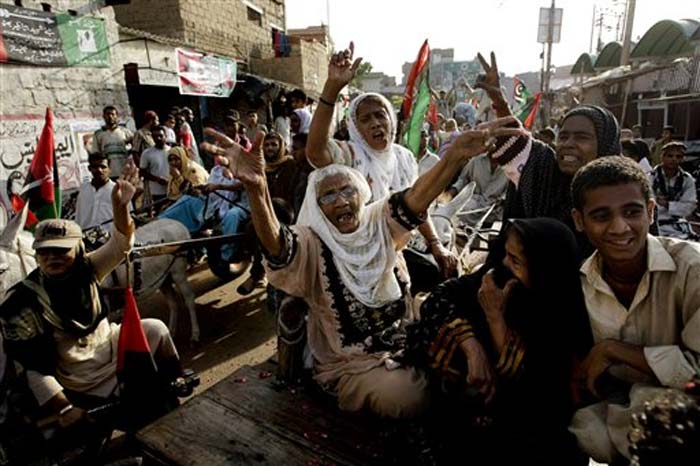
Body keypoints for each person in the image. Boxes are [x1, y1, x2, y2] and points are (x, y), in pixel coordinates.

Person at [205, 115, 524, 418]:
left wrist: (454, 156)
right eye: (328, 196)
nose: (341, 200)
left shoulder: (379, 222)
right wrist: (257, 189)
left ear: (362, 195)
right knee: (409, 396)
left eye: (347, 190)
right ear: (316, 208)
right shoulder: (312, 243)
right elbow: (277, 245)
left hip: (405, 338)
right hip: (352, 362)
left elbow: (416, 198)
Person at [0, 165, 185, 432]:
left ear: (78, 250)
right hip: (83, 376)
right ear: (37, 254)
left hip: (112, 346)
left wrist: (121, 207)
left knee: (155, 328)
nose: (52, 258)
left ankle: (176, 380)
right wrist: (64, 408)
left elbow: (121, 245)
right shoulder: (21, 302)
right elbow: (33, 368)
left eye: (61, 251)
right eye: (45, 252)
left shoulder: (87, 268)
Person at [406, 218, 592, 464]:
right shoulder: (495, 280)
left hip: (531, 434)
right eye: (506, 253)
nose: (504, 263)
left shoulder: (567, 315)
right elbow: (439, 299)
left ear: (543, 269)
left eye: (515, 260)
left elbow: (536, 389)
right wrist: (472, 349)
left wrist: (495, 318)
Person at [568, 156, 700, 463]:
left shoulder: (692, 269)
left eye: (632, 212)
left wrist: (613, 350)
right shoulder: (580, 283)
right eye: (601, 216)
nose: (619, 227)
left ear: (651, 211)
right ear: (579, 220)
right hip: (612, 422)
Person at [306, 44, 459, 279]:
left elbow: (417, 204)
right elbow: (315, 152)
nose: (375, 123)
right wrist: (332, 88)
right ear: (356, 128)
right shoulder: (349, 155)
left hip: (395, 248)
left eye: (380, 115)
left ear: (391, 119)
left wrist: (436, 244)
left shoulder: (404, 157)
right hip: (354, 253)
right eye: (365, 119)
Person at [474, 52, 621, 257]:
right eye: (564, 137)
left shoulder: (624, 192)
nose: (568, 144)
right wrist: (498, 98)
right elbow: (517, 142)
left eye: (581, 137)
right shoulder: (545, 173)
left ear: (605, 144)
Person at [649, 141, 697, 238]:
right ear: (662, 157)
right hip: (654, 223)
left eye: (678, 156)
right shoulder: (651, 177)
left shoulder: (687, 179)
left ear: (683, 159)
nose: (674, 159)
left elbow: (689, 206)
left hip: (677, 224)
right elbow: (649, 203)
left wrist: (668, 205)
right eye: (670, 156)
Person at [447, 151, 508, 225]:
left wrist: (503, 199)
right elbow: (462, 180)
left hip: (495, 211)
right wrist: (450, 194)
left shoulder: (510, 167)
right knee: (456, 213)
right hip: (471, 206)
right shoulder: (476, 160)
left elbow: (510, 192)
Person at [75, 153, 120, 230]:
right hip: (86, 236)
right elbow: (78, 216)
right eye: (95, 167)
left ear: (109, 169)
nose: (99, 170)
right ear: (89, 168)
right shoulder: (83, 190)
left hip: (111, 237)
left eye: (103, 167)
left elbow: (127, 217)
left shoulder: (117, 190)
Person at [91, 106, 133, 178]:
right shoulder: (98, 134)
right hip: (109, 173)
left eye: (113, 114)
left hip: (124, 171)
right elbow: (96, 153)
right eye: (108, 114)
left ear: (117, 116)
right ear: (104, 116)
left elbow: (135, 147)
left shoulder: (125, 131)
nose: (110, 116)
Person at [139, 126, 171, 206]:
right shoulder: (147, 153)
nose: (158, 138)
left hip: (173, 190)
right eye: (155, 136)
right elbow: (142, 172)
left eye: (160, 136)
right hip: (157, 191)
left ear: (165, 136)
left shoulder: (172, 151)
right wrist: (158, 179)